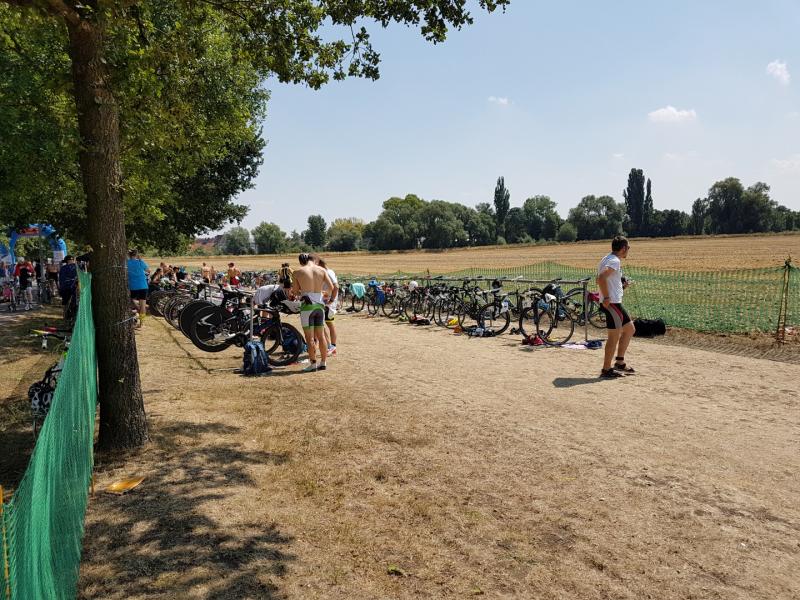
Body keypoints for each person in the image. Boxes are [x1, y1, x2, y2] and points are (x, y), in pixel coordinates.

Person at [596, 236, 636, 378]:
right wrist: (607, 297)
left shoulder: (607, 258)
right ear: (623, 248)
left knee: (630, 329)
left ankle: (619, 362)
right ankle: (606, 369)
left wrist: (621, 286)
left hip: (614, 302)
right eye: (628, 248)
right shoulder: (615, 260)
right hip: (612, 303)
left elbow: (604, 280)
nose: (628, 250)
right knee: (613, 337)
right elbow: (601, 278)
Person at [291, 253, 334, 372]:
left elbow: (295, 291)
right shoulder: (322, 270)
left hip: (307, 307)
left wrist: (303, 293)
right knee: (321, 336)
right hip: (319, 306)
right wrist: (325, 296)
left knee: (309, 338)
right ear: (315, 260)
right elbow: (331, 287)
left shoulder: (297, 272)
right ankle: (323, 363)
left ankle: (313, 364)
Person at [315, 256, 339, 356]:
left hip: (328, 303)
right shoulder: (327, 271)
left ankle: (331, 346)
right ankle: (331, 346)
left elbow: (336, 287)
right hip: (326, 302)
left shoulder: (328, 272)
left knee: (326, 324)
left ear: (320, 264)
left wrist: (331, 300)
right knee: (326, 324)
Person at [127, 249, 150, 328]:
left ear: (129, 255)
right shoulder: (140, 262)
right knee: (143, 305)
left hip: (133, 286)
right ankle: (141, 323)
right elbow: (148, 271)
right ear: (136, 254)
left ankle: (137, 312)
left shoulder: (126, 262)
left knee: (132, 301)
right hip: (143, 285)